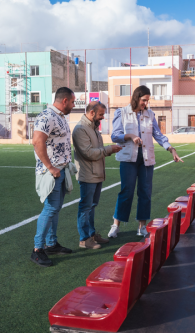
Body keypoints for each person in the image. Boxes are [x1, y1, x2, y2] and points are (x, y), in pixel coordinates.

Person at [108, 85, 183, 238]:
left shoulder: (150, 114)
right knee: (126, 192)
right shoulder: (121, 113)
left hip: (147, 159)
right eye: (144, 100)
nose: (145, 104)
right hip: (128, 159)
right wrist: (130, 136)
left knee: (145, 193)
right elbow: (115, 135)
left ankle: (141, 227)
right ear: (136, 97)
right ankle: (115, 226)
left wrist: (171, 149)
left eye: (147, 101)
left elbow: (158, 134)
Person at [31, 87, 76, 267]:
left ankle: (51, 244)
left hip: (61, 170)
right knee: (50, 209)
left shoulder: (60, 117)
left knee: (55, 208)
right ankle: (37, 249)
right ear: (64, 100)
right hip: (51, 172)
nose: (73, 105)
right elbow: (37, 141)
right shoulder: (46, 116)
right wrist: (50, 167)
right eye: (72, 102)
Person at [72, 101, 122, 249]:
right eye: (100, 114)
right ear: (92, 113)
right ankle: (84, 239)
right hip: (88, 175)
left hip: (97, 174)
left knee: (91, 206)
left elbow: (96, 151)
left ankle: (92, 234)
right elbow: (88, 153)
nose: (102, 118)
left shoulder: (93, 128)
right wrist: (109, 150)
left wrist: (109, 150)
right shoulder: (80, 129)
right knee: (85, 207)